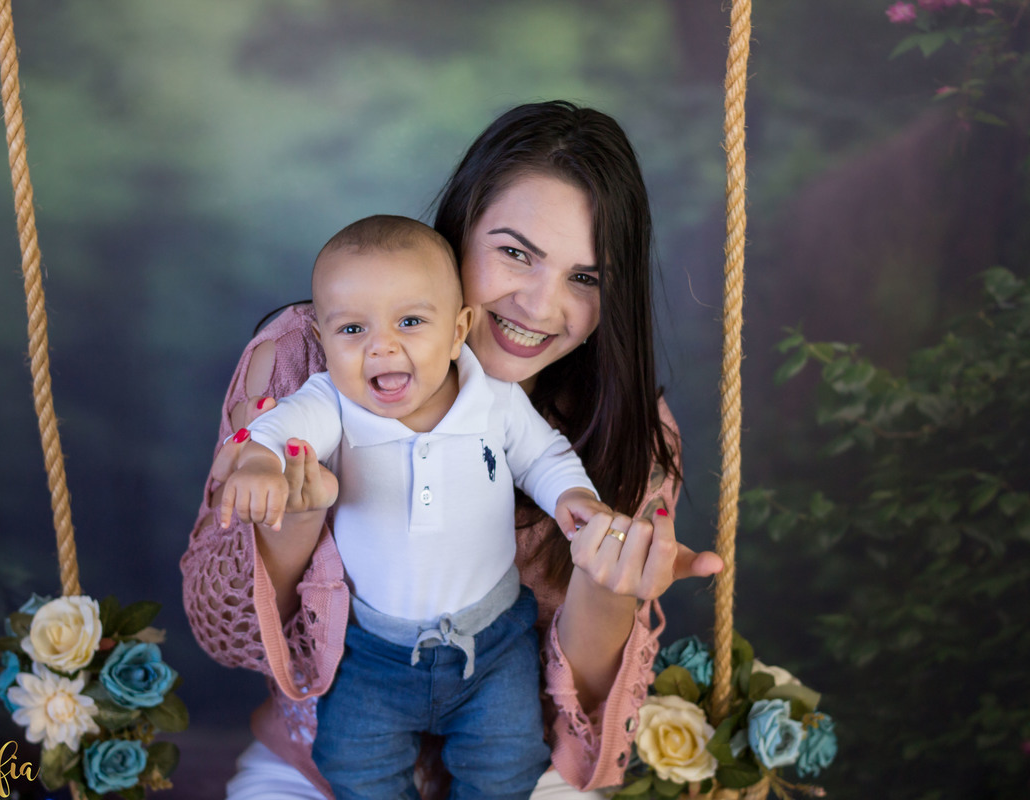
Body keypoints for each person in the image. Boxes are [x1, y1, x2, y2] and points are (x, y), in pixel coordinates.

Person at [181, 100, 724, 800]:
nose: (539, 305)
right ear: (458, 231)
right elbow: (228, 638)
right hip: (325, 762)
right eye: (515, 253)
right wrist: (290, 517)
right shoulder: (315, 358)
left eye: (584, 278)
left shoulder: (626, 427)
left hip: (514, 766)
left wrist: (609, 581)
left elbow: (577, 706)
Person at [226, 214, 611, 799]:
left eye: (410, 321)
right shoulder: (332, 402)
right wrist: (257, 459)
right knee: (355, 766)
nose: (382, 345)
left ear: (458, 331)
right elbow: (276, 430)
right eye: (352, 329)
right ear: (323, 342)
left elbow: (543, 457)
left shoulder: (493, 399)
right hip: (372, 651)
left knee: (505, 768)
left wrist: (574, 497)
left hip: (491, 644)